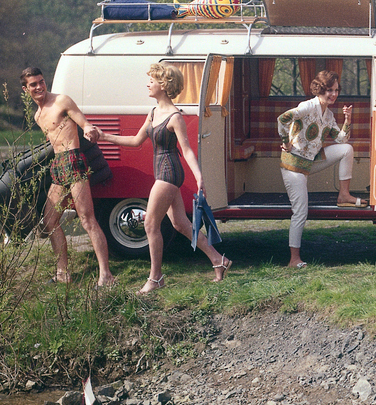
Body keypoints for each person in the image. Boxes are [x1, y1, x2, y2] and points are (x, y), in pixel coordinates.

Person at [96, 63, 232, 295]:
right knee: (180, 224)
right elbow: (136, 141)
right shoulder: (152, 113)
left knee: (150, 223)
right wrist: (103, 136)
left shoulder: (175, 117)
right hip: (163, 172)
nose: (148, 83)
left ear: (164, 85)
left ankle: (156, 278)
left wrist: (200, 178)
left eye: (152, 80)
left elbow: (187, 150)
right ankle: (219, 260)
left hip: (169, 172)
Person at [20, 67, 115, 287]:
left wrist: (89, 128)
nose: (39, 87)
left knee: (86, 219)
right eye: (33, 84)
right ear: (26, 89)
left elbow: (83, 122)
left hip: (74, 160)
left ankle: (106, 274)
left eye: (41, 82)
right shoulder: (37, 115)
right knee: (49, 221)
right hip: (58, 165)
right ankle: (63, 273)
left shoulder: (62, 101)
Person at [278, 70, 365, 268]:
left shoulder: (329, 115)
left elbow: (341, 139)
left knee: (346, 149)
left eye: (335, 90)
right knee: (300, 211)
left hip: (311, 161)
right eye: (329, 90)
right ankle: (294, 260)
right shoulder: (308, 106)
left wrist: (347, 119)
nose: (333, 94)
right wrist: (285, 142)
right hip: (293, 166)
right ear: (319, 89)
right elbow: (282, 119)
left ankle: (344, 195)